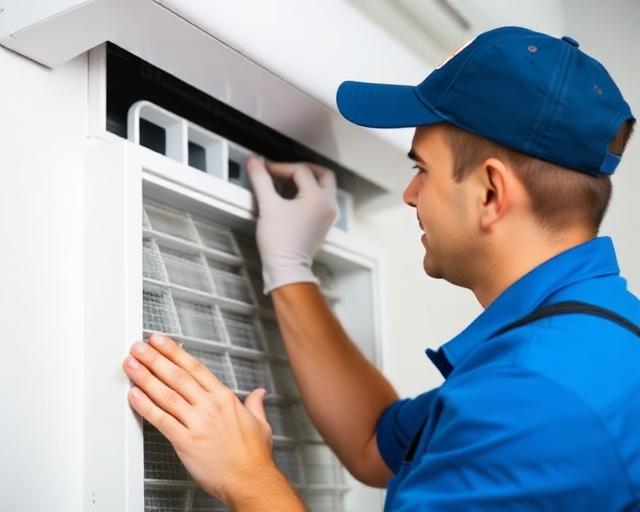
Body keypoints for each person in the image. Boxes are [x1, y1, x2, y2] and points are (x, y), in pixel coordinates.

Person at [122, 26, 640, 511]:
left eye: (422, 169)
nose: (410, 194)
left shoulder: (535, 399)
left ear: (490, 192)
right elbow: (373, 441)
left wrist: (245, 476)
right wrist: (290, 268)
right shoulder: (586, 342)